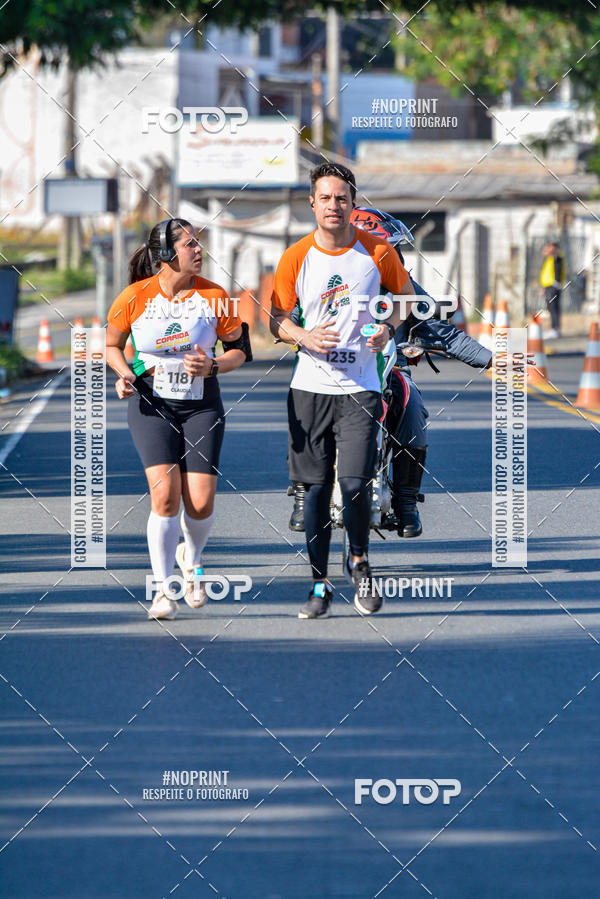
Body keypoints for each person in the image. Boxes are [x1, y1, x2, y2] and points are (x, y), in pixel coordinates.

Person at [288, 206, 492, 540]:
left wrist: (492, 360)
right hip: (329, 368)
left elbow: (443, 333)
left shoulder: (405, 285)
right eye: (382, 248)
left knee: (411, 407)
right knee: (303, 408)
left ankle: (406, 501)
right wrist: (300, 335)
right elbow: (286, 317)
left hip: (387, 368)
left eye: (395, 250)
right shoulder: (319, 274)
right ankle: (302, 494)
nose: (392, 256)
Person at [270, 164, 414, 619]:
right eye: (325, 198)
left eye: (342, 198)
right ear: (312, 203)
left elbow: (408, 299)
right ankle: (319, 585)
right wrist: (302, 336)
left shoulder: (376, 250)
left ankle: (359, 563)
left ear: (353, 202)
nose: (334, 205)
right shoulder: (296, 256)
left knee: (354, 485)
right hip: (310, 389)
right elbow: (275, 318)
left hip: (361, 387)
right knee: (314, 491)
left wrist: (389, 329)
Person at [106, 218, 251, 620]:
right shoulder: (134, 297)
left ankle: (192, 556)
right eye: (190, 244)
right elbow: (111, 345)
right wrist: (125, 374)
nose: (199, 250)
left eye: (198, 243)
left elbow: (241, 351)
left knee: (200, 503)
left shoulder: (215, 296)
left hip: (201, 404)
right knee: (165, 497)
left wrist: (214, 365)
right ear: (167, 255)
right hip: (152, 404)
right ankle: (162, 590)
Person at [539, 239, 565, 339]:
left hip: (554, 286)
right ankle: (554, 328)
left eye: (549, 247)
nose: (547, 249)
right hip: (548, 286)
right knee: (550, 307)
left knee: (554, 308)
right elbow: (546, 273)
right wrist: (543, 287)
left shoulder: (557, 257)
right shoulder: (549, 259)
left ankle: (555, 329)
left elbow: (556, 264)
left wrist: (551, 250)